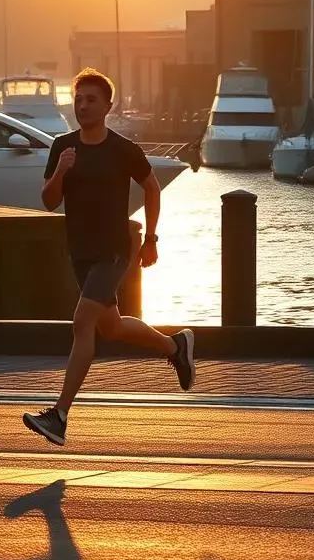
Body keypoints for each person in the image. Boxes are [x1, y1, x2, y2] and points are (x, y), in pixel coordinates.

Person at [23, 68, 194, 447]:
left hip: (114, 249)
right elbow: (49, 202)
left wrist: (151, 239)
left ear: (107, 106)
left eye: (91, 100)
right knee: (111, 328)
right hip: (80, 251)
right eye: (78, 99)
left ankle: (59, 415)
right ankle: (175, 347)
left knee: (82, 322)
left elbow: (152, 188)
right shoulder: (63, 147)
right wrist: (61, 173)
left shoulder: (123, 149)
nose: (82, 106)